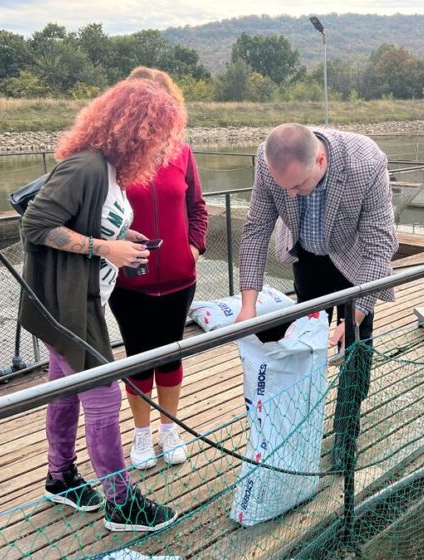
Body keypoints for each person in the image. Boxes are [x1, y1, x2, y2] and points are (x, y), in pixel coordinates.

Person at [19, 79, 185, 532]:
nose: (162, 145)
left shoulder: (109, 170)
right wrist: (102, 248)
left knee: (64, 388)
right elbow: (37, 224)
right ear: (136, 128)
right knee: (104, 394)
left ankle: (61, 478)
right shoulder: (86, 168)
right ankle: (121, 501)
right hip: (69, 306)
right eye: (158, 133)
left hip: (84, 299)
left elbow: (91, 222)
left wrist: (119, 239)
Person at [236, 123, 398, 467]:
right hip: (306, 256)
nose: (291, 194)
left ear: (320, 160)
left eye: (298, 185)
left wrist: (354, 317)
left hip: (354, 257)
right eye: (285, 187)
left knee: (354, 344)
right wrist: (247, 305)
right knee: (307, 341)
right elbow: (255, 231)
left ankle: (346, 432)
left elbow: (380, 244)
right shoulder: (269, 164)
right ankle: (304, 421)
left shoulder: (366, 163)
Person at [108, 67, 207, 470]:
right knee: (136, 357)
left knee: (171, 355)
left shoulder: (182, 153)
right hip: (129, 285)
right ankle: (142, 434)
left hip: (180, 279)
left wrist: (193, 249)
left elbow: (197, 209)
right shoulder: (112, 157)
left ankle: (170, 429)